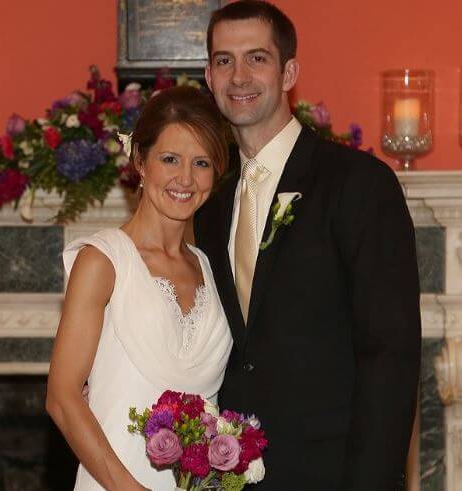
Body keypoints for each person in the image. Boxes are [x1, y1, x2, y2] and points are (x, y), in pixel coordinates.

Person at [194, 1, 421, 489]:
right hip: (233, 475)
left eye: (257, 58)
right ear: (208, 77)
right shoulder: (209, 205)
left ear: (289, 71)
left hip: (334, 473)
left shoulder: (357, 184)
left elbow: (392, 355)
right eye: (223, 60)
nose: (239, 76)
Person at [46, 86, 233, 491]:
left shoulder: (213, 269)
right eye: (170, 159)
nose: (185, 178)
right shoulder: (103, 261)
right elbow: (62, 399)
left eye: (201, 163)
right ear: (139, 162)